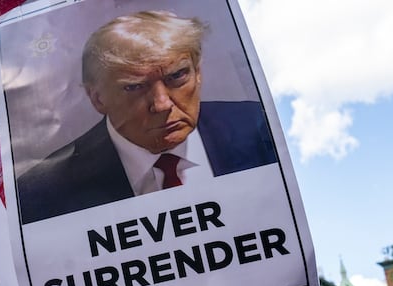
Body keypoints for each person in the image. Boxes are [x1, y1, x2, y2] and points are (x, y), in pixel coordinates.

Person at [17, 10, 278, 224]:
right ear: (97, 98)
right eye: (134, 87)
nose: (162, 104)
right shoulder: (41, 193)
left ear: (198, 72)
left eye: (177, 76)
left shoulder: (260, 128)